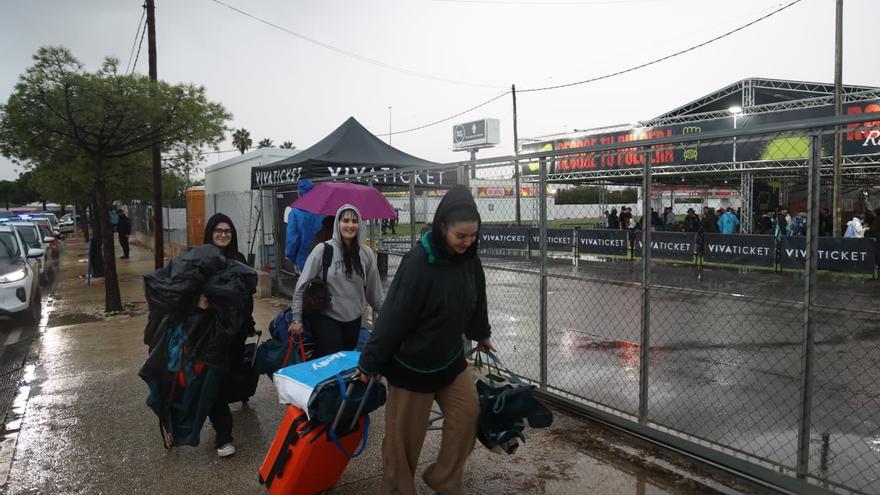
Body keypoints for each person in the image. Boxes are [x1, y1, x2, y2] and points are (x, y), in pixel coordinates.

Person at [357, 185, 492, 495]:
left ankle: (444, 479)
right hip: (411, 367)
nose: (468, 242)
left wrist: (481, 333)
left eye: (474, 235)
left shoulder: (469, 257)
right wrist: (370, 362)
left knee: (468, 416)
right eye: (461, 236)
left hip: (449, 361)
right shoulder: (418, 263)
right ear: (443, 227)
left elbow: (477, 297)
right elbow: (392, 317)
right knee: (402, 447)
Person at [288, 204, 384, 356]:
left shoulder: (366, 254)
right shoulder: (323, 250)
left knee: (346, 366)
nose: (350, 225)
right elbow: (302, 285)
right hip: (327, 318)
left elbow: (375, 293)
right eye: (345, 220)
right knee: (331, 364)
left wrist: (389, 318)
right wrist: (296, 318)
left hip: (354, 321)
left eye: (354, 221)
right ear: (337, 224)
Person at [202, 213, 255, 458]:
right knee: (214, 382)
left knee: (227, 379)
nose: (223, 234)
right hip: (208, 335)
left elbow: (247, 296)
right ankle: (223, 435)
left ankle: (221, 421)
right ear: (210, 233)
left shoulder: (240, 260)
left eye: (228, 231)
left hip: (235, 335)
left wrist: (246, 323)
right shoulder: (200, 261)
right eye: (218, 230)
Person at [285, 179, 324, 275]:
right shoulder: (322, 212)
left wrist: (293, 259)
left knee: (303, 289)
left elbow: (292, 241)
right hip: (323, 261)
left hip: (303, 263)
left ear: (299, 194)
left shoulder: (294, 213)